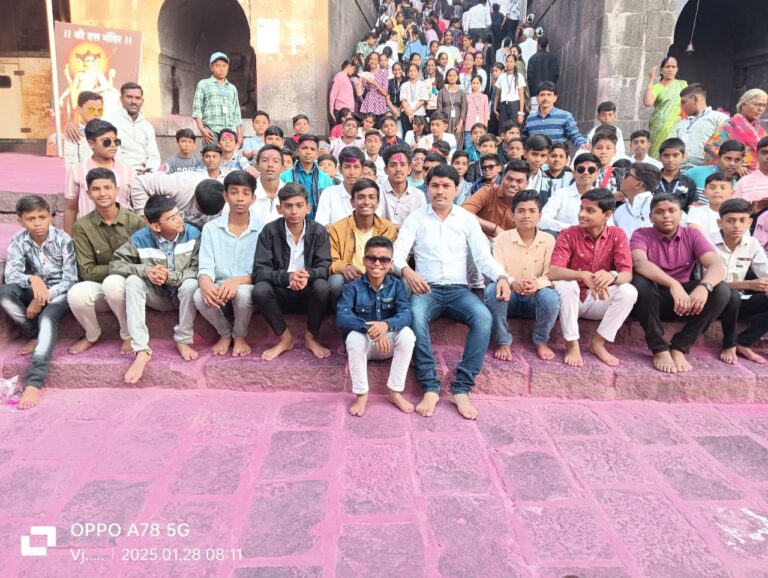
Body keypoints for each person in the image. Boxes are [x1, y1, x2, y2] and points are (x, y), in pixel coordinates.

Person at [393, 164, 512, 420]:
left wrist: (502, 276)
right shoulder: (416, 218)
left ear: (456, 190)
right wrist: (407, 271)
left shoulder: (467, 219)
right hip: (426, 289)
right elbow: (397, 254)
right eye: (435, 185)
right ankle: (430, 386)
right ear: (427, 188)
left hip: (459, 291)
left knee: (483, 317)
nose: (440, 191)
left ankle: (462, 388)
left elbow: (483, 257)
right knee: (415, 316)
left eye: (446, 186)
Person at [630, 193, 730, 373]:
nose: (666, 215)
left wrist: (703, 287)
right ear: (651, 217)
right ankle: (659, 348)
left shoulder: (692, 234)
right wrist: (673, 284)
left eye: (672, 210)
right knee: (640, 282)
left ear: (681, 214)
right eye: (659, 212)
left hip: (685, 302)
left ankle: (680, 346)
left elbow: (716, 265)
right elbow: (639, 263)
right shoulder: (641, 234)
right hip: (652, 300)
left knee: (721, 290)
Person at [108, 195, 200, 383]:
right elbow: (115, 265)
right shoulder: (141, 238)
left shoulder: (193, 234)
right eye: (172, 218)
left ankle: (183, 339)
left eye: (179, 214)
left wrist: (170, 277)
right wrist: (147, 271)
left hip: (183, 295)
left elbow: (198, 269)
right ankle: (141, 349)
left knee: (191, 284)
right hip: (157, 296)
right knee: (133, 281)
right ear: (156, 227)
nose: (179, 220)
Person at [0, 196, 76, 409]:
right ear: (20, 221)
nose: (37, 223)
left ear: (51, 217)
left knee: (47, 317)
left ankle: (34, 381)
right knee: (4, 293)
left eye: (42, 217)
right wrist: (33, 280)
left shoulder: (63, 240)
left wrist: (42, 297)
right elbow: (12, 275)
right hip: (34, 287)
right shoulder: (19, 240)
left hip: (61, 291)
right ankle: (33, 334)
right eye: (30, 219)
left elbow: (71, 279)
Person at [548, 188, 637, 367]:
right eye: (581, 208)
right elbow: (553, 272)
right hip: (570, 302)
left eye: (590, 210)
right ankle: (572, 344)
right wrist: (581, 275)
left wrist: (612, 276)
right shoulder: (568, 234)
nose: (582, 214)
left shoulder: (617, 234)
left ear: (607, 215)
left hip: (598, 299)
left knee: (629, 291)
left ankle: (598, 343)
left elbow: (627, 274)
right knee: (567, 285)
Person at [68, 168, 145, 356]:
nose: (102, 193)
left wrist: (124, 271)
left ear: (117, 190)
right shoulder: (82, 226)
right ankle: (92, 334)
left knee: (113, 283)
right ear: (88, 193)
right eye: (96, 189)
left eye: (107, 188)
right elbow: (87, 271)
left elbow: (144, 262)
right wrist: (124, 268)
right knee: (76, 294)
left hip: (130, 286)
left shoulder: (135, 222)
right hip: (99, 285)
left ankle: (128, 334)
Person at [252, 183, 332, 361]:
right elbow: (260, 271)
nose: (294, 211)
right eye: (288, 206)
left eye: (299, 205)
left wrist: (307, 276)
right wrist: (287, 277)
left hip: (308, 292)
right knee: (260, 289)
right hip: (280, 292)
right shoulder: (269, 231)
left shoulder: (318, 231)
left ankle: (310, 338)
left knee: (322, 286)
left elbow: (324, 266)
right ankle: (285, 339)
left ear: (308, 208)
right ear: (279, 208)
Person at [485, 189, 559, 361]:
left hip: (535, 298)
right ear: (512, 215)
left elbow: (551, 274)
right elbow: (497, 270)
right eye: (521, 211)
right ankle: (503, 341)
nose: (526, 215)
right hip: (509, 297)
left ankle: (541, 340)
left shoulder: (549, 240)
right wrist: (511, 282)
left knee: (551, 297)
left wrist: (537, 284)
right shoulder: (501, 239)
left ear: (540, 216)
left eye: (532, 211)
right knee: (492, 290)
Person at [194, 171, 261, 358]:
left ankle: (239, 335)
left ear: (253, 198)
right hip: (219, 287)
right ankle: (224, 333)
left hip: (247, 286)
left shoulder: (263, 229)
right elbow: (205, 265)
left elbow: (264, 271)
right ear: (225, 196)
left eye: (245, 193)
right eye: (234, 192)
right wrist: (205, 282)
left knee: (243, 293)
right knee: (199, 296)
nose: (239, 198)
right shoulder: (211, 228)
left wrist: (238, 281)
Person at [712, 198, 768, 365]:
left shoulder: (752, 244)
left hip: (738, 303)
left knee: (737, 297)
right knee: (733, 295)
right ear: (720, 223)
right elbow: (707, 283)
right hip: (712, 302)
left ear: (749, 222)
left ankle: (744, 342)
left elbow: (766, 272)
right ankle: (729, 344)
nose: (736, 225)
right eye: (731, 220)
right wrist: (748, 285)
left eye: (742, 220)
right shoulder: (707, 242)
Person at [328, 178, 398, 307]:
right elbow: (331, 261)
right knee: (336, 281)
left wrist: (376, 271)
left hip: (379, 276)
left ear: (378, 202)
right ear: (352, 202)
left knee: (402, 281)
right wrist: (345, 267)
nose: (366, 202)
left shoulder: (387, 228)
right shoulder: (338, 228)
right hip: (351, 279)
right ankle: (341, 313)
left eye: (371, 197)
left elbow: (393, 260)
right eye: (360, 197)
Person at [63, 119, 134, 235]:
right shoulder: (76, 171)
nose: (113, 145)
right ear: (91, 144)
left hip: (122, 235)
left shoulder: (129, 172)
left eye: (116, 141)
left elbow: (135, 207)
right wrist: (68, 240)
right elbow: (70, 208)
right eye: (106, 142)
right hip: (87, 235)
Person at [462, 158, 529, 237]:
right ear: (503, 178)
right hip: (479, 239)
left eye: (519, 181)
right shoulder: (488, 192)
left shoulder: (528, 204)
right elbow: (462, 213)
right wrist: (494, 228)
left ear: (527, 184)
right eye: (509, 179)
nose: (513, 184)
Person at [705, 89, 768, 172]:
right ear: (743, 105)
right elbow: (710, 148)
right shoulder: (730, 125)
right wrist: (735, 165)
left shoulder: (761, 131)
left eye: (764, 106)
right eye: (756, 104)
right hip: (737, 175)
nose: (760, 109)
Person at [103, 82, 161, 171]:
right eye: (129, 97)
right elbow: (111, 153)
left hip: (144, 173)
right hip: (118, 172)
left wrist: (149, 171)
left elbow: (154, 156)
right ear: (121, 99)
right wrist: (127, 172)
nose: (134, 102)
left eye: (137, 98)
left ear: (142, 101)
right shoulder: (109, 121)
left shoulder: (147, 127)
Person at [540, 153, 600, 233]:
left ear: (597, 174)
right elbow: (542, 220)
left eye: (591, 170)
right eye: (581, 169)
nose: (586, 173)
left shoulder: (601, 197)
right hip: (564, 238)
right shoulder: (560, 195)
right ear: (574, 173)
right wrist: (574, 230)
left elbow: (609, 226)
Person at [279, 134, 334, 221]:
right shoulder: (284, 176)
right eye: (304, 148)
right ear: (297, 151)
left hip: (318, 224)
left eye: (312, 149)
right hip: (291, 222)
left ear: (317, 153)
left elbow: (330, 205)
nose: (308, 152)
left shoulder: (325, 179)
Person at [191, 52, 242, 146]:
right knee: (211, 155)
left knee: (228, 156)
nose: (221, 69)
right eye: (217, 66)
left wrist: (240, 134)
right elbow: (197, 109)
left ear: (228, 67)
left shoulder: (232, 88)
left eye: (224, 66)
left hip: (229, 132)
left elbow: (236, 112)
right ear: (211, 67)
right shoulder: (203, 84)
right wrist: (202, 129)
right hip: (211, 132)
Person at [643, 57, 688, 158]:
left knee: (673, 152)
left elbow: (687, 103)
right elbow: (648, 102)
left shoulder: (682, 85)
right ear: (661, 70)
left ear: (677, 69)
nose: (670, 69)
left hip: (676, 126)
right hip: (658, 127)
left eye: (673, 67)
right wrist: (651, 80)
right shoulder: (657, 87)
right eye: (667, 67)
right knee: (656, 154)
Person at [676, 83, 728, 168]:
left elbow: (729, 146)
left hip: (707, 169)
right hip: (681, 170)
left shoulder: (719, 118)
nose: (681, 107)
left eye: (683, 102)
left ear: (695, 99)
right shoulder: (681, 123)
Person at [523, 82, 587, 149]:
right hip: (536, 155)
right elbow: (524, 139)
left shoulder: (565, 116)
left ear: (555, 98)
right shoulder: (530, 119)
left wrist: (582, 144)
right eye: (542, 95)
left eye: (549, 95)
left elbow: (574, 135)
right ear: (537, 98)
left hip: (556, 154)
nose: (545, 98)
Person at [377, 145, 427, 228]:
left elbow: (421, 225)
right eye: (393, 165)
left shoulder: (418, 195)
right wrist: (406, 227)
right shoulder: (377, 192)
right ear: (385, 170)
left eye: (403, 164)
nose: (398, 169)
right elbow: (375, 222)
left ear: (409, 169)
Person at [315, 146, 365, 227]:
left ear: (362, 170)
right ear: (340, 169)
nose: (351, 172)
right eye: (347, 167)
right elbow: (320, 224)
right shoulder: (328, 193)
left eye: (356, 167)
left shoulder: (370, 195)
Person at [613, 162, 662, 238]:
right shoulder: (619, 210)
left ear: (638, 184)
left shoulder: (657, 207)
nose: (622, 177)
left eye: (627, 175)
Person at [654, 138, 697, 212]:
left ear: (683, 156)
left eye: (675, 155)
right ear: (660, 157)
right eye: (666, 155)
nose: (670, 160)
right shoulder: (651, 180)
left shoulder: (689, 182)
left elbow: (693, 208)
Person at [687, 172, 735, 237]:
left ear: (732, 193)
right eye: (712, 188)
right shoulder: (696, 211)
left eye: (723, 188)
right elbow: (694, 236)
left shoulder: (737, 213)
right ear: (704, 192)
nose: (717, 191)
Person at [64, 91, 104, 167]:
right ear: (79, 109)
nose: (96, 114)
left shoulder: (109, 132)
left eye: (100, 110)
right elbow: (71, 166)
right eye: (91, 110)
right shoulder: (74, 133)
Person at [250, 144, 286, 224]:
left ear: (282, 168)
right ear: (257, 166)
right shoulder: (248, 192)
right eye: (265, 160)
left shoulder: (289, 193)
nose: (270, 165)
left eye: (275, 161)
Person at [735, 136, 768, 213]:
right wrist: (751, 210)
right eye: (764, 153)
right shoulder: (744, 182)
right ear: (757, 156)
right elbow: (734, 212)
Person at [494, 54, 526, 129]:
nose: (509, 63)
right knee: (503, 128)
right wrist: (495, 108)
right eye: (507, 61)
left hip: (515, 104)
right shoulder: (501, 76)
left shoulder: (519, 76)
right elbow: (497, 94)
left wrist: (521, 113)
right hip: (503, 104)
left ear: (515, 63)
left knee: (514, 127)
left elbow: (521, 95)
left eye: (511, 61)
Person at [437, 68, 468, 144]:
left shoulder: (462, 92)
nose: (452, 77)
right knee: (445, 142)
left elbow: (464, 109)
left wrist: (460, 124)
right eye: (450, 75)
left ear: (457, 77)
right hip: (445, 121)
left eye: (454, 75)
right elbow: (439, 109)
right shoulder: (442, 92)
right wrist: (442, 123)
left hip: (457, 121)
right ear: (446, 77)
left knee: (457, 143)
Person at [358, 52, 389, 122]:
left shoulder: (383, 73)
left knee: (378, 127)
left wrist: (373, 82)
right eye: (371, 59)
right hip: (369, 104)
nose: (373, 61)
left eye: (375, 59)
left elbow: (385, 93)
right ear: (368, 61)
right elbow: (359, 93)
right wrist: (361, 76)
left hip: (380, 105)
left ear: (378, 61)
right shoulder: (366, 74)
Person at [526, 36, 559, 100]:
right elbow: (556, 74)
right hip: (549, 91)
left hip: (536, 93)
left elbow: (530, 77)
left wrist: (530, 91)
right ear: (546, 45)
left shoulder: (532, 58)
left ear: (538, 45)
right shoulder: (552, 58)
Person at [400, 63, 429, 136]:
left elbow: (423, 100)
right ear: (407, 73)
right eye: (410, 71)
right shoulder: (404, 85)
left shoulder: (422, 84)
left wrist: (412, 111)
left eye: (414, 70)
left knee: (421, 134)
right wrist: (409, 113)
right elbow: (403, 100)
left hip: (419, 113)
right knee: (407, 134)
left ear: (418, 72)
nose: (412, 73)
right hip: (406, 113)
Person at [524, 134, 554, 205]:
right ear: (525, 153)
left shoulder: (547, 181)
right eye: (534, 154)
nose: (538, 159)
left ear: (547, 157)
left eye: (543, 156)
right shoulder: (513, 174)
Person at [329, 60, 357, 124]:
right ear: (349, 66)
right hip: (341, 110)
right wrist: (331, 110)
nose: (353, 71)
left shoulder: (346, 78)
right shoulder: (340, 76)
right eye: (353, 69)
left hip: (348, 111)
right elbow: (333, 93)